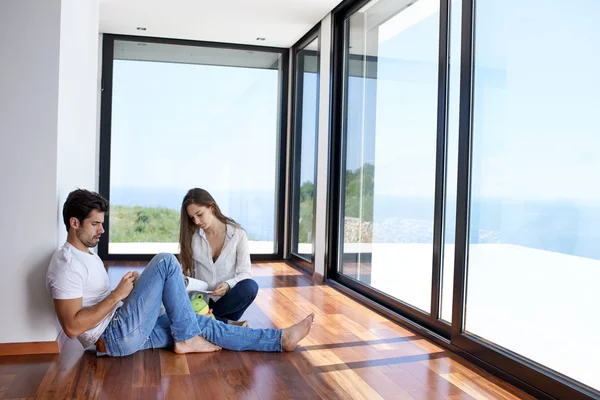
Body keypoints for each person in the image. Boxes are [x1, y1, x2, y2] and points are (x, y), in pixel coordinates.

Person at [46, 189, 313, 357]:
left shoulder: (86, 255)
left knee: (202, 323)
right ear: (74, 223)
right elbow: (72, 327)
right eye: (95, 224)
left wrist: (127, 295)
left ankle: (280, 340)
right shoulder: (66, 264)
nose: (101, 230)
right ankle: (186, 338)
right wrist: (117, 295)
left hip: (122, 327)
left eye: (101, 223)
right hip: (114, 337)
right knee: (165, 262)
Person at [179, 188, 258, 326]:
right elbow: (185, 272)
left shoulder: (238, 234)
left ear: (212, 207)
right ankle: (225, 324)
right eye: (192, 218)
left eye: (199, 214)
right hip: (200, 301)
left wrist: (228, 285)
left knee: (250, 287)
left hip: (227, 302)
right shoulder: (192, 237)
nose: (196, 221)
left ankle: (204, 321)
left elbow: (245, 273)